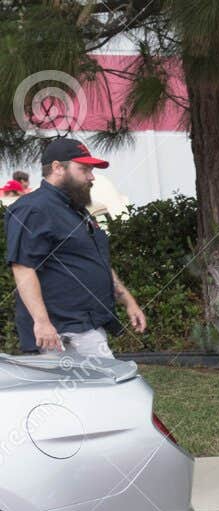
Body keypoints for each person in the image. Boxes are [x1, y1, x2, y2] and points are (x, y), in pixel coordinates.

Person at [6, 138, 145, 358]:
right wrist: (42, 323)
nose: (91, 177)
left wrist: (128, 300)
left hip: (86, 325)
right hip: (58, 332)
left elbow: (93, 259)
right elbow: (23, 268)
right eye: (84, 169)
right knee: (99, 388)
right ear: (57, 168)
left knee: (99, 388)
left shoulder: (75, 209)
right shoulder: (33, 208)